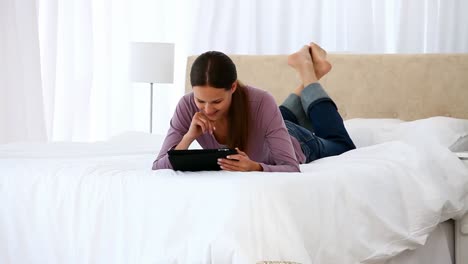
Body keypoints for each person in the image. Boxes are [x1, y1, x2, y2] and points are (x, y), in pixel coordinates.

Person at [152, 42, 355, 172]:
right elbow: (158, 165)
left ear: (232, 87)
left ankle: (307, 72)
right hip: (272, 124)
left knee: (342, 145)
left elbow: (290, 167)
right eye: (200, 100)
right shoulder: (186, 106)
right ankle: (311, 71)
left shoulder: (261, 101)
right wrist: (188, 138)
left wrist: (256, 167)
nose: (207, 110)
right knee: (275, 116)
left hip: (295, 141)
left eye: (216, 102)